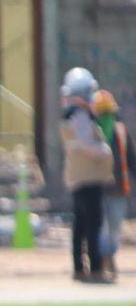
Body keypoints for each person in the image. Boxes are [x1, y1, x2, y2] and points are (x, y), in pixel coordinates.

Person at [60, 68, 115, 283]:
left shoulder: (70, 115)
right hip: (89, 179)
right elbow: (87, 145)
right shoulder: (80, 116)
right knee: (93, 225)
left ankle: (79, 267)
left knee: (80, 226)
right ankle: (95, 268)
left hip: (78, 178)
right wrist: (104, 150)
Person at [92, 89, 135, 279]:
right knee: (101, 226)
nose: (106, 116)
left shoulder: (121, 131)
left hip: (118, 188)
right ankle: (102, 259)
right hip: (98, 188)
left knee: (115, 226)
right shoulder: (93, 131)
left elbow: (131, 158)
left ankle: (110, 255)